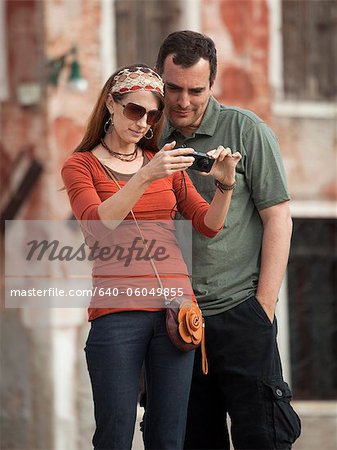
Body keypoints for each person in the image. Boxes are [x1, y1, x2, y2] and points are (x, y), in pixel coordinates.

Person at [61, 64, 241, 450]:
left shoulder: (165, 165)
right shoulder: (80, 165)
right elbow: (96, 225)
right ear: (111, 103)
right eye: (134, 110)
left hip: (176, 310)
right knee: (115, 430)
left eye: (152, 115)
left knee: (168, 435)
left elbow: (207, 224)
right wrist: (145, 174)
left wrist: (225, 184)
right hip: (116, 313)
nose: (143, 122)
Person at [155, 31, 301, 450]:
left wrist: (264, 308)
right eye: (174, 89)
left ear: (211, 85)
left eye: (195, 90)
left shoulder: (247, 130)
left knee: (265, 439)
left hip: (241, 316)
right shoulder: (149, 140)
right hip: (176, 326)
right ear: (161, 82)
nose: (183, 101)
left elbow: (279, 219)